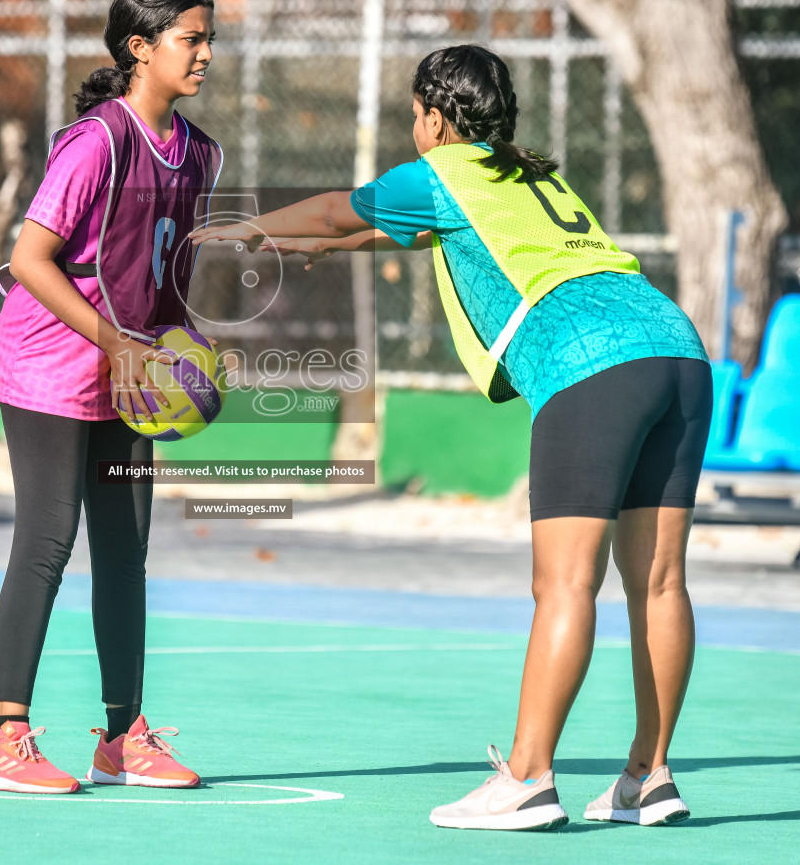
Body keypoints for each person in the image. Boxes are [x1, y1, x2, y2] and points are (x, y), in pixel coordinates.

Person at [190, 44, 708, 830]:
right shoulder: (529, 175)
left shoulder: (439, 171)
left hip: (590, 365)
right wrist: (330, 244)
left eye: (412, 115)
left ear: (434, 117)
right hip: (676, 350)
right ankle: (650, 773)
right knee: (660, 583)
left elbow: (343, 206)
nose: (412, 128)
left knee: (566, 585)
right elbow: (400, 230)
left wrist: (251, 229)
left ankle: (529, 778)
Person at [0, 0, 221, 794]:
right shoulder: (96, 143)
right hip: (50, 363)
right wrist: (118, 342)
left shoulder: (201, 154)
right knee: (46, 542)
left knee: (125, 550)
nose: (207, 54)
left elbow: (169, 275)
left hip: (130, 371)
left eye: (210, 38)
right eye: (192, 39)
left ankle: (122, 736)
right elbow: (31, 260)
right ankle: (2, 738)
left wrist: (187, 349)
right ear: (139, 49)